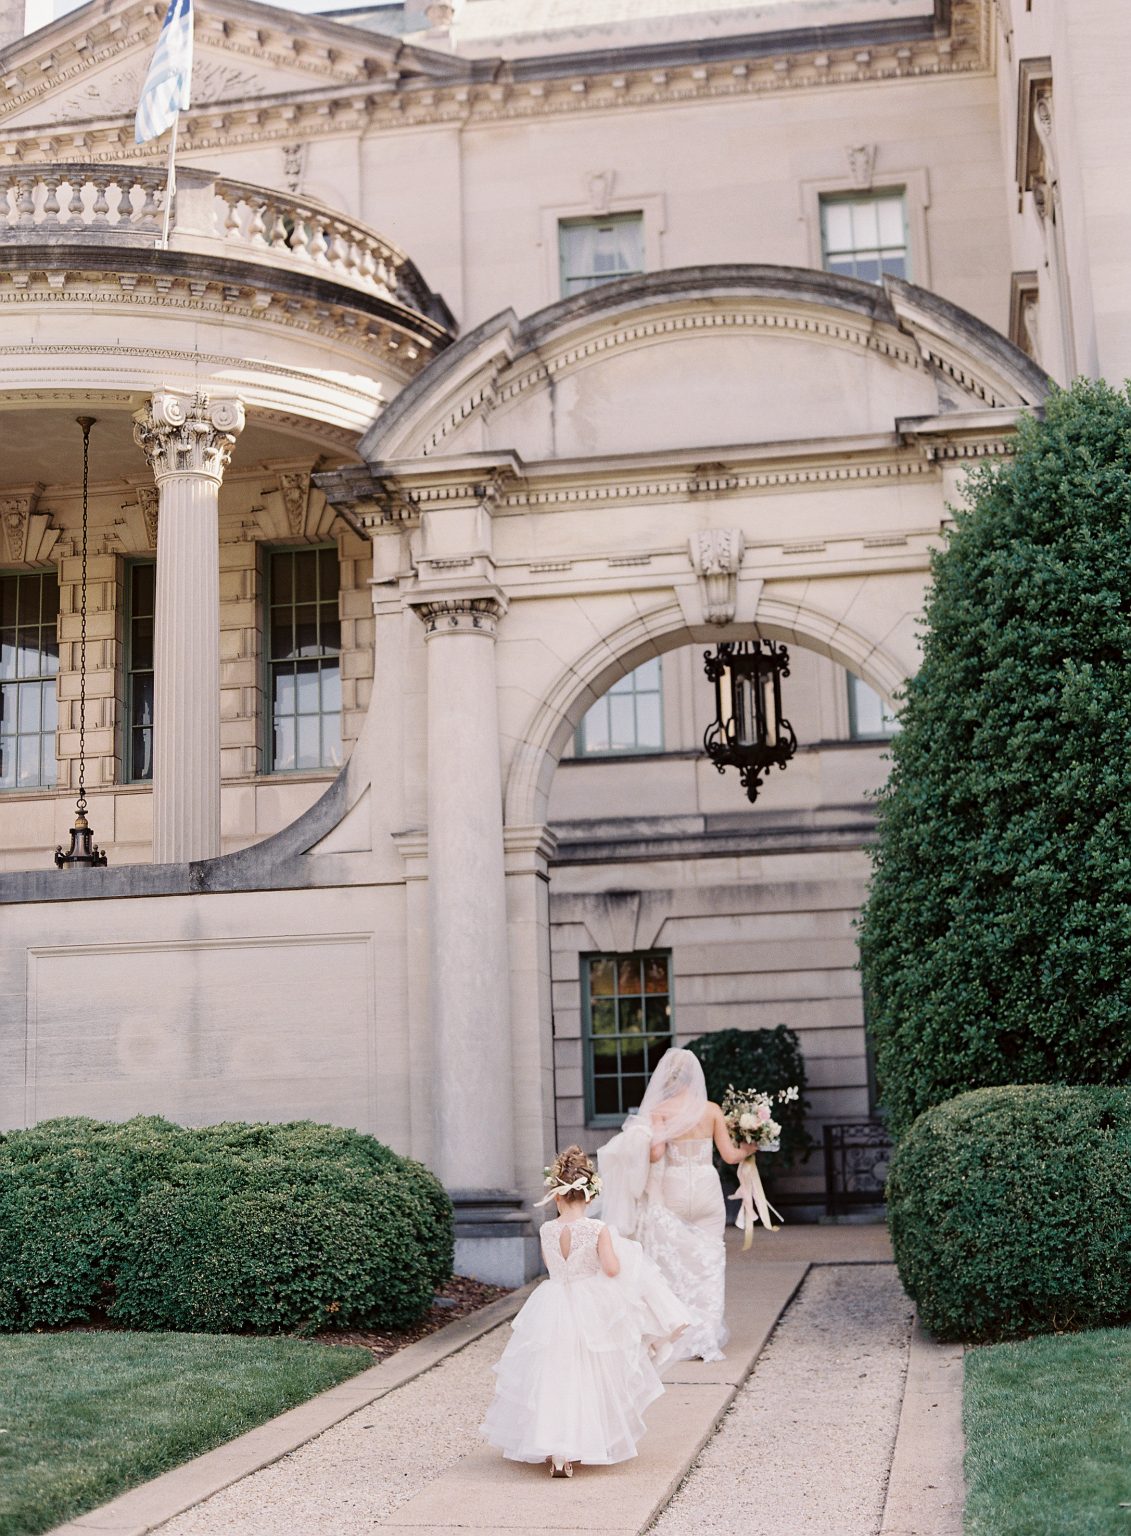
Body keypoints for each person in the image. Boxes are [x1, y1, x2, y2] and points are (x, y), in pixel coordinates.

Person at [480, 1144, 689, 1477]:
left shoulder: (547, 1230)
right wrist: (621, 1254)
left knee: (551, 1373)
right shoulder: (596, 1229)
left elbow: (552, 1266)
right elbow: (610, 1268)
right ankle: (577, 1444)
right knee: (586, 1374)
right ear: (589, 1197)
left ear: (557, 1196)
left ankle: (553, 1448)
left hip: (552, 1302)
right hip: (588, 1304)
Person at [597, 1047, 748, 1363]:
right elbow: (731, 1156)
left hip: (675, 1189)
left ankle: (676, 1330)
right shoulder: (711, 1110)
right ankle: (705, 1338)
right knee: (709, 1262)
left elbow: (654, 1154)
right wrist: (752, 1145)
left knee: (673, 1264)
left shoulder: (661, 1111)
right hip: (707, 1190)